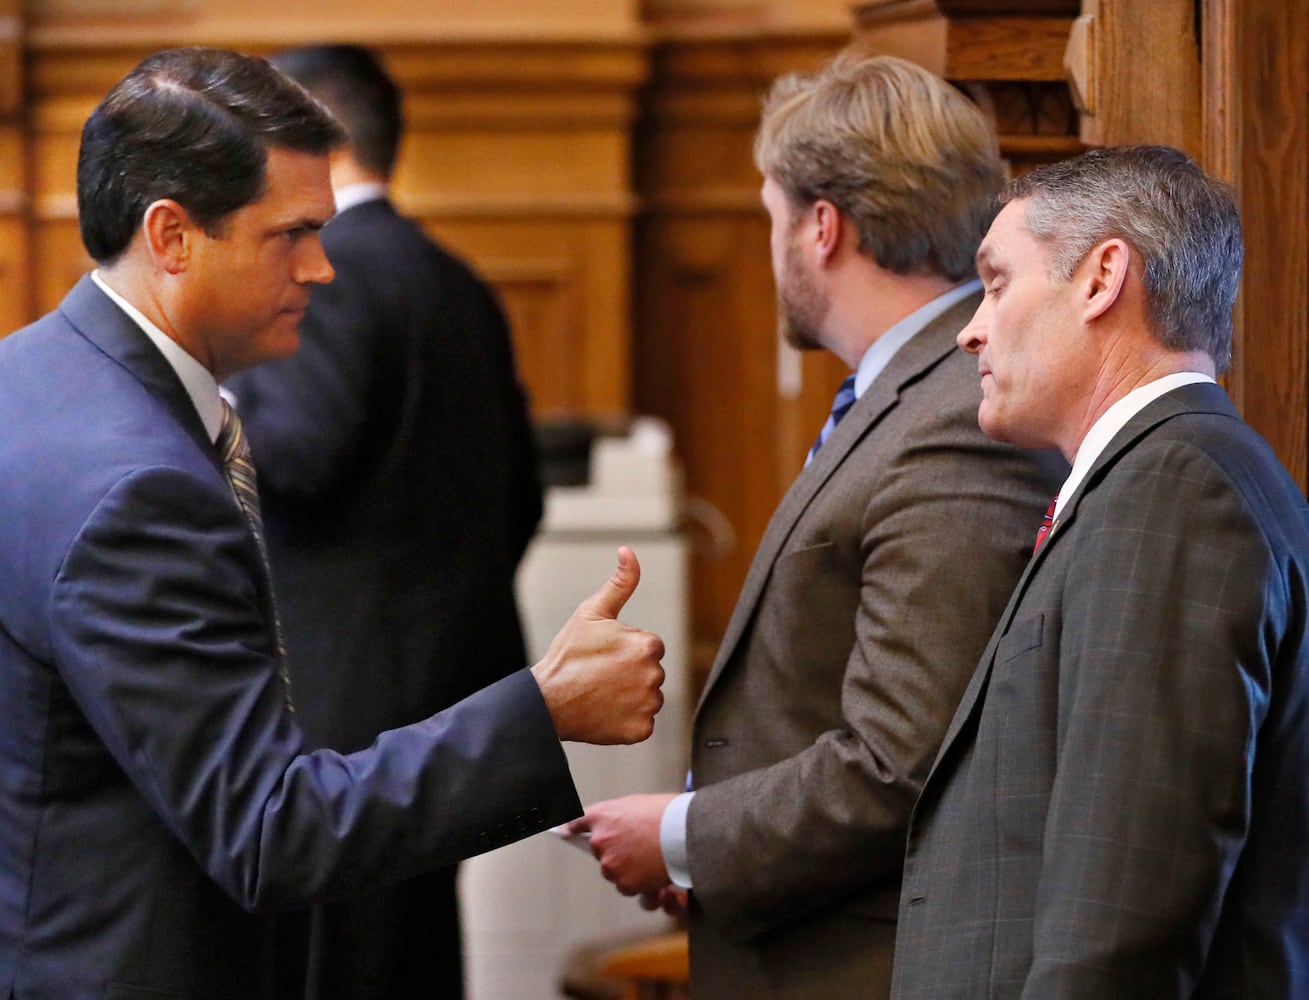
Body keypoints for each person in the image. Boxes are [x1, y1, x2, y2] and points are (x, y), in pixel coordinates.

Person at [0, 46, 665, 1000]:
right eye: (293, 235)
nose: (320, 268)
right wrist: (544, 708)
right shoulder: (138, 488)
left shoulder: (28, 371)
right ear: (172, 235)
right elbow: (267, 832)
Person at [568, 51, 1067, 998]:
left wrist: (681, 836)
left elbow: (902, 760)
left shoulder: (959, 419)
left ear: (822, 228)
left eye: (772, 219)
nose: (772, 250)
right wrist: (707, 847)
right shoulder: (914, 393)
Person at [890, 144, 1309, 998]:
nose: (970, 329)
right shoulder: (1168, 475)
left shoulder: (1174, 489)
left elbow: (1121, 915)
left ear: (1100, 279)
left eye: (997, 282)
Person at [222, 44, 539, 999]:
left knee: (345, 970)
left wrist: (212, 396)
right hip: (451, 697)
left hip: (345, 715)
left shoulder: (328, 275)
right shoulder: (455, 278)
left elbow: (302, 457)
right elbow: (520, 494)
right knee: (413, 959)